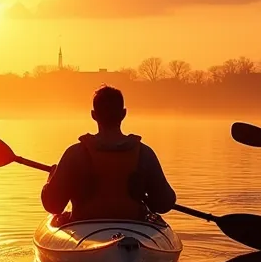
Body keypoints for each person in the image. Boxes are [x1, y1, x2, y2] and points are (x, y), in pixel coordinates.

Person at [40, 86, 176, 221]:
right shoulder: (144, 153)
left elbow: (53, 206)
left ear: (93, 115)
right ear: (123, 114)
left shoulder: (74, 154)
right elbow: (164, 203)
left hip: (84, 229)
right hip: (135, 228)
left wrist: (51, 180)